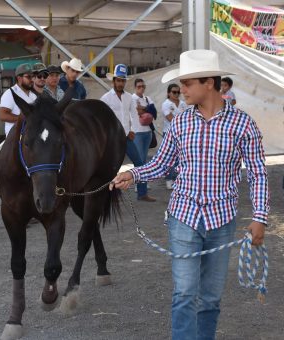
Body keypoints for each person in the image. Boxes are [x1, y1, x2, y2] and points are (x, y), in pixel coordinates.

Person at [109, 49, 269, 340]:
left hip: (222, 222)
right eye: (180, 84)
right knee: (184, 293)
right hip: (183, 218)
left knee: (209, 298)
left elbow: (258, 172)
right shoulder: (181, 122)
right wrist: (132, 174)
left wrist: (260, 218)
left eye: (187, 83)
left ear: (209, 83)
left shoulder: (242, 124)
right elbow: (162, 162)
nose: (181, 89)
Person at [101, 64, 155, 202]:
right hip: (113, 139)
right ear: (113, 81)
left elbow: (133, 115)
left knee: (139, 162)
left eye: (123, 80)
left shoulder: (129, 97)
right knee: (111, 167)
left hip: (126, 137)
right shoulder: (106, 98)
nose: (120, 83)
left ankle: (142, 194)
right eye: (118, 80)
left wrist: (132, 130)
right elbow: (103, 120)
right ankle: (109, 195)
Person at [132, 78, 157, 200]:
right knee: (140, 161)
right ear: (135, 87)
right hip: (137, 132)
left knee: (144, 160)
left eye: (143, 86)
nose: (141, 88)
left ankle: (141, 185)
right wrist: (146, 109)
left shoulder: (147, 99)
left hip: (147, 132)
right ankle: (140, 186)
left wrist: (143, 108)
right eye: (139, 86)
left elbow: (155, 112)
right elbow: (137, 111)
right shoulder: (132, 98)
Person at [0, 63, 37, 136]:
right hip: (14, 139)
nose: (32, 80)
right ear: (19, 78)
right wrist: (25, 120)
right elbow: (2, 115)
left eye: (33, 77)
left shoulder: (33, 95)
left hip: (30, 137)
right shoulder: (9, 94)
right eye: (28, 77)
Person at [162, 83, 187, 189]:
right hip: (169, 134)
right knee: (170, 158)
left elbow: (186, 117)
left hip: (181, 134)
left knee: (179, 158)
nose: (176, 94)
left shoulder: (183, 103)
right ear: (168, 93)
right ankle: (168, 179)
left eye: (178, 92)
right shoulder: (166, 104)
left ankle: (176, 179)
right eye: (174, 92)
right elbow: (170, 118)